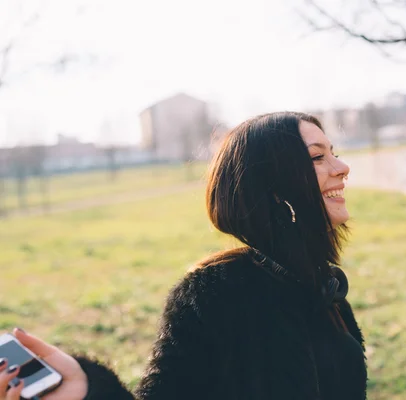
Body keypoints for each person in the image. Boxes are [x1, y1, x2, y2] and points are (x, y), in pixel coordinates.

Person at [0, 112, 367, 400]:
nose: (341, 167)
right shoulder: (217, 293)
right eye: (318, 157)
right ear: (271, 186)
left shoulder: (322, 286)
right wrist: (87, 390)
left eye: (334, 153)